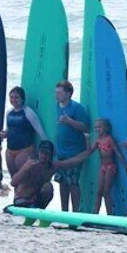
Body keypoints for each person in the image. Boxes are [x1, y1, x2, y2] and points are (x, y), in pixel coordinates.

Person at [11, 140, 91, 209]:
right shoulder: (31, 165)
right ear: (39, 153)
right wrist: (25, 168)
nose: (44, 156)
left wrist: (90, 150)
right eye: (42, 153)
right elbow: (13, 183)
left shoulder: (52, 167)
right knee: (47, 186)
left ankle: (40, 209)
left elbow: (73, 161)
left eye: (47, 154)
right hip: (22, 200)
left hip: (34, 200)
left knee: (48, 187)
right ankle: (33, 208)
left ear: (51, 155)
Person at [54, 80, 90, 211]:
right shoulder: (58, 106)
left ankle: (75, 211)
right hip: (60, 150)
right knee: (62, 182)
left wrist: (69, 121)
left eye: (59, 93)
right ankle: (64, 211)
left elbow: (85, 127)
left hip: (74, 152)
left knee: (73, 182)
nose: (57, 95)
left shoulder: (77, 107)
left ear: (68, 93)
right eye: (56, 92)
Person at [85, 118, 127, 214]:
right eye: (96, 127)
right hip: (103, 167)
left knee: (106, 191)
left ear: (106, 128)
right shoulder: (98, 140)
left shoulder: (109, 139)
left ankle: (109, 215)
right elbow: (89, 152)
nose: (97, 129)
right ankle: (95, 214)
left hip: (111, 167)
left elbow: (118, 153)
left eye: (100, 127)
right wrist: (87, 140)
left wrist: (126, 166)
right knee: (98, 192)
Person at [1, 86, 48, 176]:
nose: (13, 100)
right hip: (10, 150)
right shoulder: (9, 113)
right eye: (11, 97)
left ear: (22, 99)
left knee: (24, 178)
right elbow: (9, 130)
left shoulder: (28, 112)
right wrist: (4, 134)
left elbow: (40, 130)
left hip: (24, 150)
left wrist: (47, 147)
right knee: (14, 179)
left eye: (16, 97)